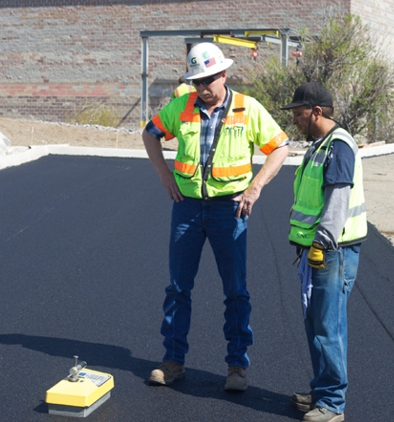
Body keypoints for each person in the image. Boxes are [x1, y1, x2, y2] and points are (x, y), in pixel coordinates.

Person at [142, 42, 289, 391]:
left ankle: (236, 366)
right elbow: (150, 134)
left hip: (230, 209)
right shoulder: (182, 107)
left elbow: (280, 147)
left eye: (208, 79)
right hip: (188, 209)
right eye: (197, 81)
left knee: (235, 291)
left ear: (224, 73)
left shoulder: (247, 109)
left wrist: (255, 188)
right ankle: (173, 361)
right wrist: (164, 175)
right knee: (178, 287)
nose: (203, 87)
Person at [281, 81, 367, 422]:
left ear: (317, 111)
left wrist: (320, 242)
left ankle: (332, 404)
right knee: (316, 323)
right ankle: (322, 392)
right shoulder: (320, 146)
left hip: (333, 251)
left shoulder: (339, 147)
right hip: (319, 250)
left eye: (299, 113)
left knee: (328, 326)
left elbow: (337, 201)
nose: (295, 119)